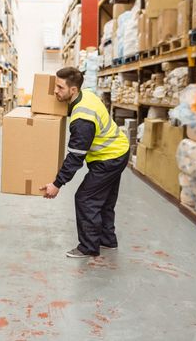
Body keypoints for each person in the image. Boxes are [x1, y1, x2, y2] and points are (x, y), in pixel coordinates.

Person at [40, 67, 130, 258]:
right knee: (104, 200)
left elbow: (75, 157)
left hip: (109, 158)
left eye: (60, 87)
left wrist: (57, 184)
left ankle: (88, 247)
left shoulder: (82, 120)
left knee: (85, 198)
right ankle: (107, 240)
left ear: (73, 90)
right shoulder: (86, 94)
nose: (55, 91)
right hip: (118, 149)